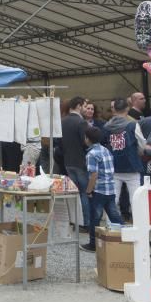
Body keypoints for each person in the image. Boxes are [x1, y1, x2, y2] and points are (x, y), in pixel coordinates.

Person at [102, 97, 146, 220]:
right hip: (132, 166)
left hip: (114, 166)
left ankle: (111, 226)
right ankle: (139, 225)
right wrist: (139, 153)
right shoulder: (132, 125)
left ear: (113, 109)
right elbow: (142, 144)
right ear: (127, 108)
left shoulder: (106, 127)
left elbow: (103, 146)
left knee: (113, 198)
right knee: (135, 199)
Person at [81, 126, 123, 252]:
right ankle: (126, 237)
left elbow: (93, 175)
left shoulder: (91, 154)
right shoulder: (106, 150)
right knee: (114, 215)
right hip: (110, 188)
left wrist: (88, 191)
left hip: (98, 190)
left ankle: (93, 244)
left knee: (95, 218)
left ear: (87, 139)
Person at [59, 96, 90, 232]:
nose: (85, 109)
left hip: (68, 161)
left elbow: (59, 144)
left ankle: (74, 221)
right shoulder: (81, 122)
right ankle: (86, 223)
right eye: (84, 106)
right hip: (81, 162)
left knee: (73, 194)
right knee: (84, 193)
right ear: (78, 106)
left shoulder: (62, 121)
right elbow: (86, 142)